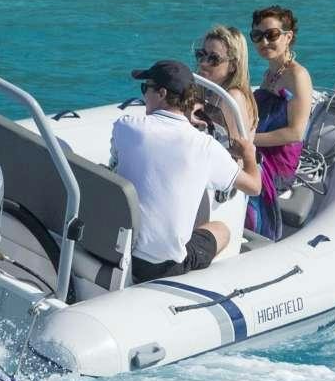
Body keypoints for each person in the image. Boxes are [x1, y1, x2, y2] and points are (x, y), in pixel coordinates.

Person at [110, 59, 261, 284]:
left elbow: (120, 163)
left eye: (145, 88)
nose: (144, 96)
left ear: (161, 93)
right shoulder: (205, 147)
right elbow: (254, 186)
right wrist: (248, 152)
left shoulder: (125, 126)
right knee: (222, 230)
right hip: (161, 267)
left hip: (118, 247)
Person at [247, 5, 315, 237]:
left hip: (278, 164)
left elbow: (295, 133)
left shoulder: (297, 76)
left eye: (271, 35)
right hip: (258, 151)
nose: (264, 42)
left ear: (288, 37)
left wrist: (248, 141)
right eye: (257, 36)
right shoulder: (269, 74)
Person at [192, 25, 258, 152]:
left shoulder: (232, 97)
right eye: (201, 54)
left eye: (213, 58)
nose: (203, 63)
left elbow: (237, 153)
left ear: (233, 66)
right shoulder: (210, 91)